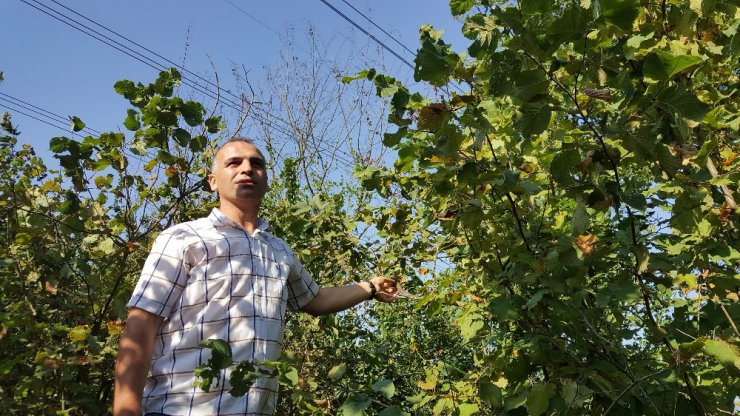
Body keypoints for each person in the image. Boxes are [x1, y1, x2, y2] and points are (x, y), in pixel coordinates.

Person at [113, 137, 397, 416]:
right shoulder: (184, 238)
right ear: (213, 181)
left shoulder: (278, 250)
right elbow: (143, 322)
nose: (247, 168)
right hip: (182, 408)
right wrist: (126, 409)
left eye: (256, 163)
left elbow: (317, 299)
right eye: (234, 162)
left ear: (266, 180)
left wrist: (370, 287)